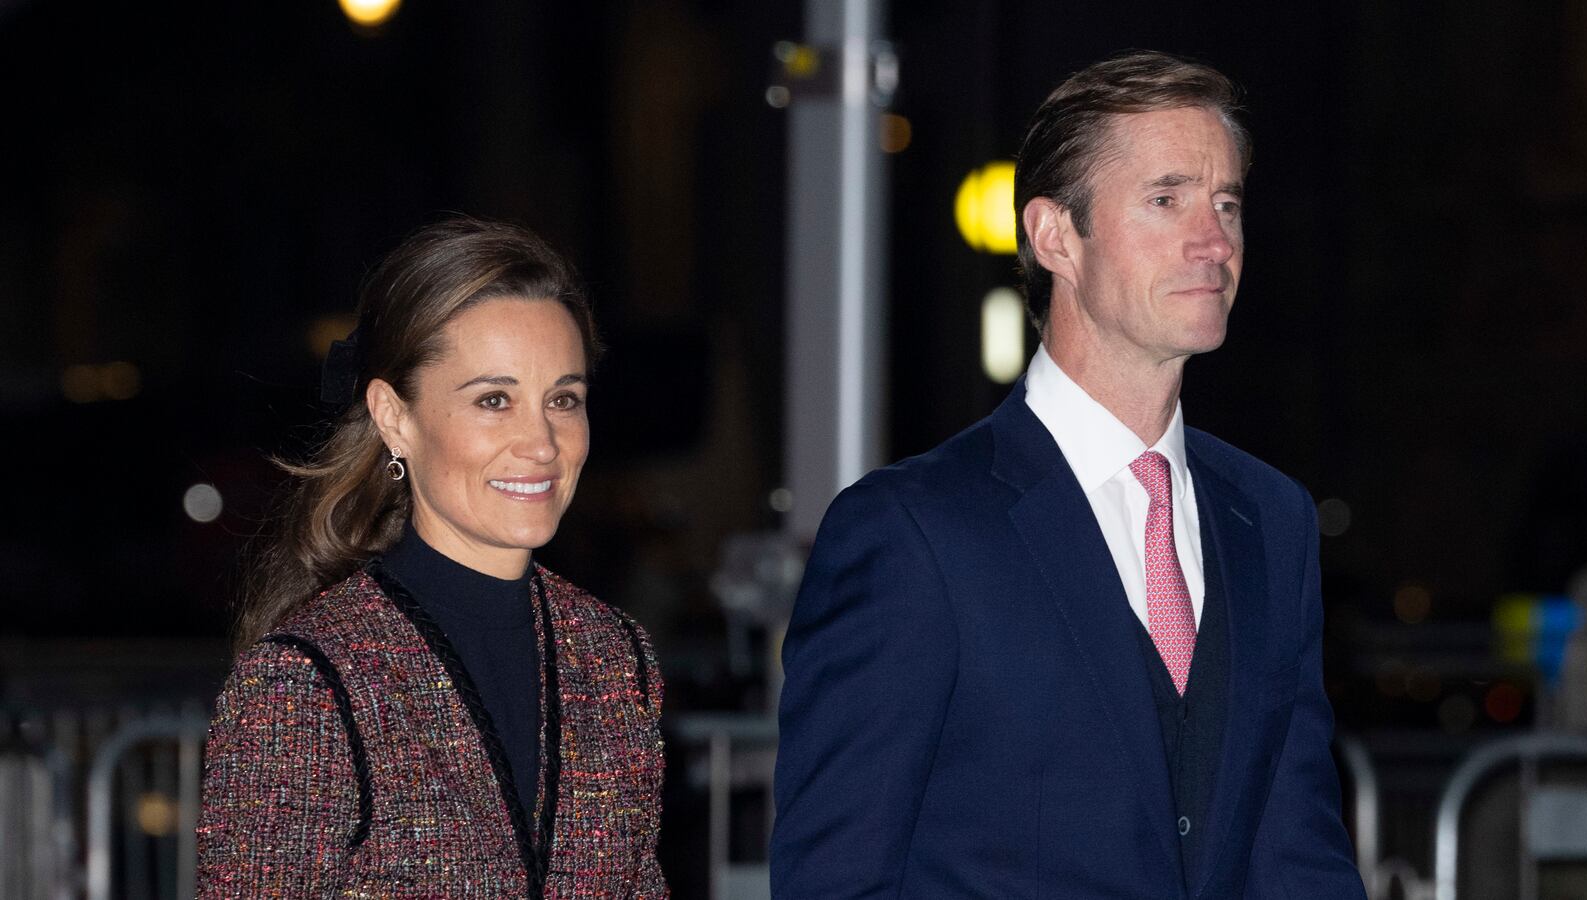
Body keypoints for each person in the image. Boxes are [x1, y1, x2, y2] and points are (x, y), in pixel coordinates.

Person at [772, 51, 1366, 897]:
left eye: (1226, 203)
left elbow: (1298, 852)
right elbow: (837, 879)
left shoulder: (1271, 518)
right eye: (1166, 200)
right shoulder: (913, 532)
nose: (1214, 240)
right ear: (1055, 236)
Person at [197, 218, 667, 897]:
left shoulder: (615, 656)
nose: (542, 442)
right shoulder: (308, 681)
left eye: (563, 399)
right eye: (494, 401)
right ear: (395, 418)